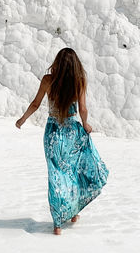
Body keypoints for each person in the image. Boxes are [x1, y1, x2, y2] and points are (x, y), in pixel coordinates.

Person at [16, 48, 109, 235]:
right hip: (72, 132)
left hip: (52, 133)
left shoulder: (48, 80)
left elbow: (35, 104)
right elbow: (83, 109)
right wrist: (85, 124)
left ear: (57, 62)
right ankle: (73, 214)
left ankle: (57, 224)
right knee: (73, 173)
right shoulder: (79, 81)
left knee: (56, 176)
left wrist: (23, 119)